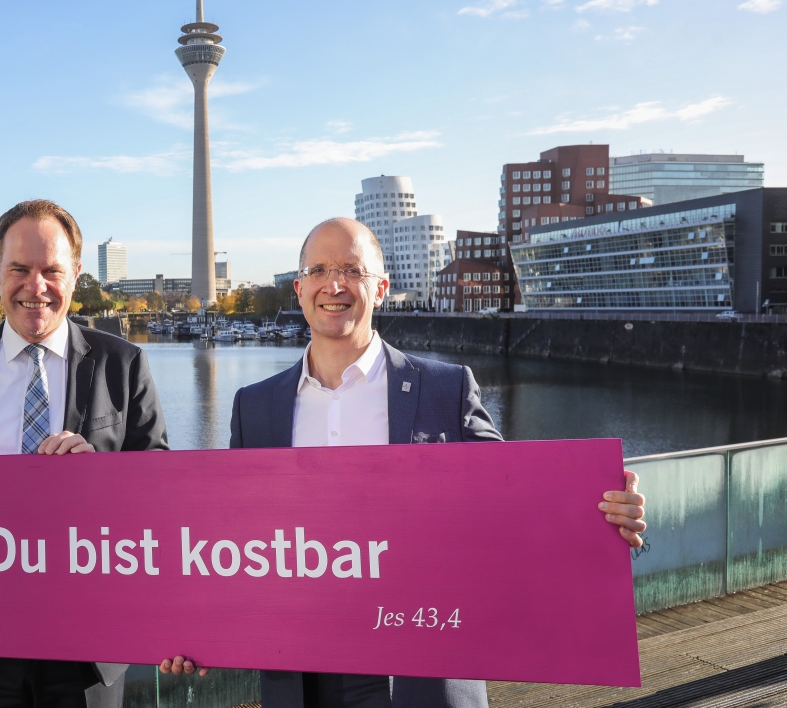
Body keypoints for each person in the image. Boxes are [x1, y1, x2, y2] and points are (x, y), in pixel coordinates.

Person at [170, 217, 646, 708]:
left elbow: (515, 499)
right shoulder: (255, 406)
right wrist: (200, 631)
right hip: (303, 678)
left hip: (423, 672)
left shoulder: (446, 388)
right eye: (319, 270)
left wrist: (601, 514)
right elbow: (232, 540)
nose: (334, 285)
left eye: (352, 270)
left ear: (381, 288)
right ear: (299, 288)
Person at [0, 199, 169, 708]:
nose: (34, 286)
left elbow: (163, 499)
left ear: (76, 275)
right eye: (19, 269)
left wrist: (101, 478)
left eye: (51, 271)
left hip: (88, 647)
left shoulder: (123, 364)